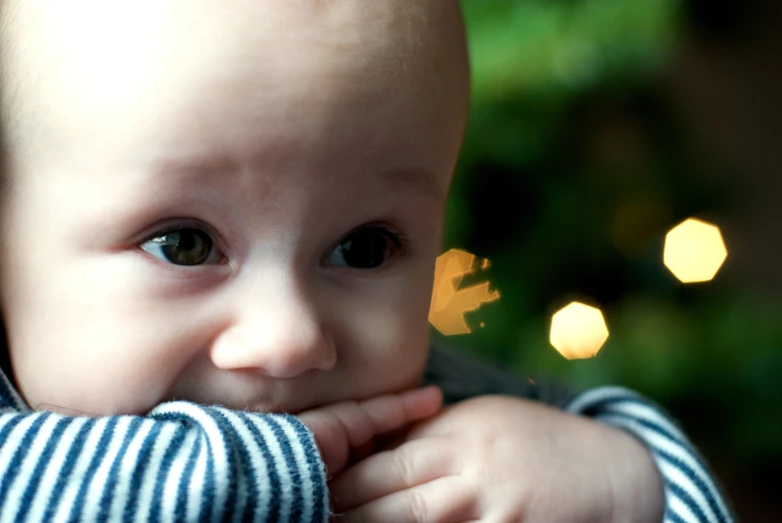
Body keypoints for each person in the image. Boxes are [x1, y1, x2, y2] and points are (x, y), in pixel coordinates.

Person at [0, 1, 732, 521]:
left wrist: (621, 481)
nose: (289, 338)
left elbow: (671, 491)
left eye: (364, 247)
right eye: (183, 243)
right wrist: (275, 469)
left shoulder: (440, 420)